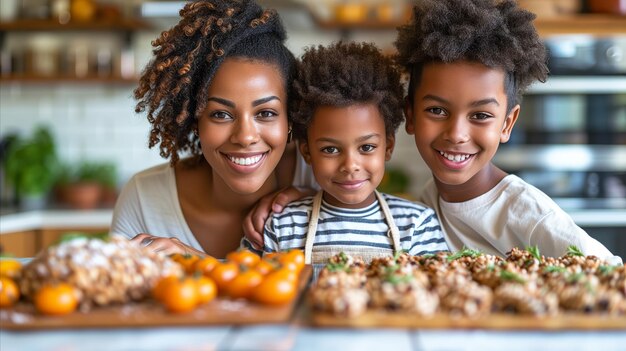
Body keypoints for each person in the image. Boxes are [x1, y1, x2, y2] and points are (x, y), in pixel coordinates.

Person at [395, 0, 622, 264]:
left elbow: (611, 273)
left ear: (507, 124)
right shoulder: (427, 201)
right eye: (437, 111)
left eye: (480, 116)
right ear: (409, 115)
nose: (456, 134)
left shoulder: (530, 215)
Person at [110, 0, 316, 258]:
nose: (245, 137)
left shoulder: (322, 177)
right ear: (196, 121)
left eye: (265, 113)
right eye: (221, 114)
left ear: (290, 119)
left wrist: (319, 201)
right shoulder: (145, 200)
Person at [242, 42, 449, 264]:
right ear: (307, 151)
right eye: (330, 149)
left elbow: (437, 291)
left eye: (366, 148)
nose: (350, 165)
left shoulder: (417, 224)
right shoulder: (282, 225)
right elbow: (248, 288)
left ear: (388, 147)